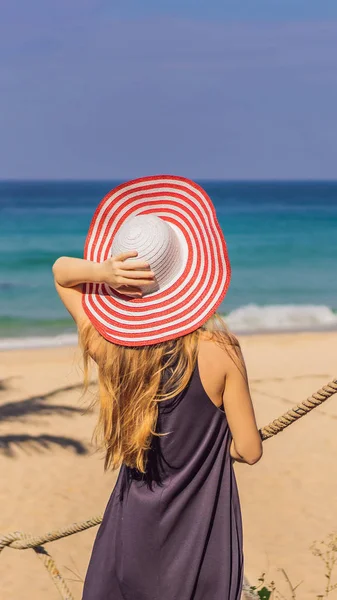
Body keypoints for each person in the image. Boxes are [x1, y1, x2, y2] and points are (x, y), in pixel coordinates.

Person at [53, 175, 262, 600]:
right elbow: (249, 449)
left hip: (130, 533)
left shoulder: (110, 349)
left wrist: (102, 273)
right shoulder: (221, 351)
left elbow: (61, 273)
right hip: (199, 536)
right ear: (190, 277)